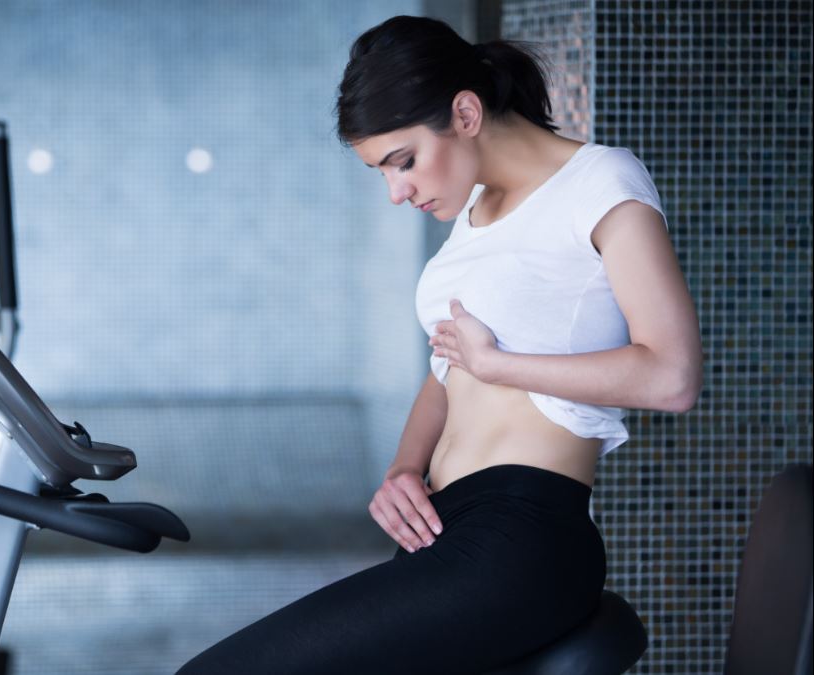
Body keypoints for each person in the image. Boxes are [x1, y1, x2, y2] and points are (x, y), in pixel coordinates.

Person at [176, 15, 702, 675]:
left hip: (522, 534)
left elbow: (671, 375)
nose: (397, 192)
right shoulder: (475, 210)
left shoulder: (597, 182)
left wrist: (499, 364)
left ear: (464, 111)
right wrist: (403, 468)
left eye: (402, 162)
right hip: (444, 528)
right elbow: (447, 372)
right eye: (381, 173)